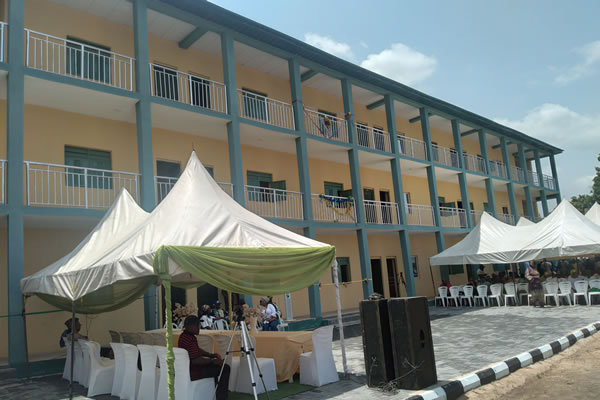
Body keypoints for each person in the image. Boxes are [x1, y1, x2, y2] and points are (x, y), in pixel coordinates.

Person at [178, 316, 230, 400]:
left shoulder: (184, 336)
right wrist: (213, 361)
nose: (199, 327)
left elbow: (196, 350)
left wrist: (211, 355)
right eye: (197, 325)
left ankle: (216, 392)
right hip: (194, 371)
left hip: (189, 368)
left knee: (218, 367)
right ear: (189, 326)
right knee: (225, 368)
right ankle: (221, 397)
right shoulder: (190, 339)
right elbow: (196, 360)